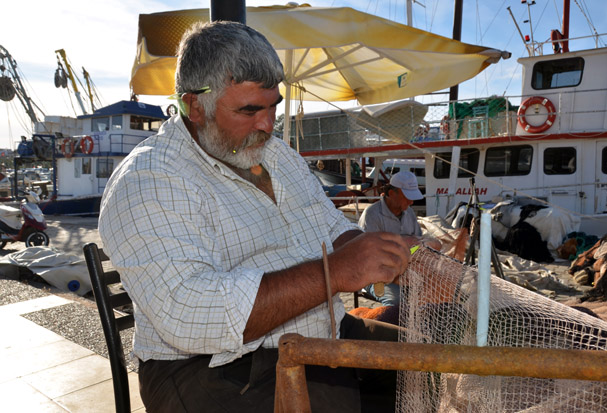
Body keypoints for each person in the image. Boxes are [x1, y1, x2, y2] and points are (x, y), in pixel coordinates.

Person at [99, 21, 413, 413]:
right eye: (249, 110)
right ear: (195, 106)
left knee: (430, 362)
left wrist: (392, 252)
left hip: (313, 330)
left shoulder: (277, 155)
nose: (267, 125)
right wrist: (336, 271)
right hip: (207, 367)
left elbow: (333, 231)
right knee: (337, 402)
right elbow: (189, 314)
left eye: (273, 107)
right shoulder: (149, 179)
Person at [358, 171, 426, 306]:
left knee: (433, 294)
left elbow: (419, 243)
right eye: (407, 197)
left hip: (405, 271)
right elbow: (366, 255)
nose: (411, 201)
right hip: (374, 276)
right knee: (396, 301)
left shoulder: (409, 213)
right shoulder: (371, 214)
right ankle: (386, 326)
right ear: (391, 194)